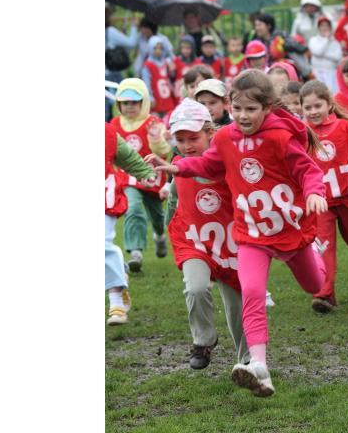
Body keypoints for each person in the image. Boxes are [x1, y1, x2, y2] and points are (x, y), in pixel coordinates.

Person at [149, 69, 328, 397]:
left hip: (288, 229)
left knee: (315, 285)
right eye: (237, 108)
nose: (243, 116)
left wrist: (314, 192)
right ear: (229, 107)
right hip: (251, 235)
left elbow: (307, 170)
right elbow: (207, 164)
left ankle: (315, 252)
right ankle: (258, 366)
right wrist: (178, 167)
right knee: (253, 293)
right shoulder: (225, 139)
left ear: (267, 108)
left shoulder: (280, 137)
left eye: (251, 109)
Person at [164, 98, 250, 369]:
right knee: (196, 288)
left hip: (230, 242)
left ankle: (248, 359)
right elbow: (174, 198)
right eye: (180, 140)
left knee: (238, 304)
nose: (187, 146)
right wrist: (169, 225)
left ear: (210, 133)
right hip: (194, 241)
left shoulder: (228, 161)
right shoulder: (178, 165)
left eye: (193, 138)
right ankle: (203, 340)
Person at [300, 80, 348, 312]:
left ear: (329, 105)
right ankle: (324, 295)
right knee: (324, 246)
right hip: (321, 201)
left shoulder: (345, 126)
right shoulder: (301, 134)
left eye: (318, 106)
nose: (313, 111)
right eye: (308, 107)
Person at [110, 78, 172, 272]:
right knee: (134, 208)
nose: (129, 106)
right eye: (125, 102)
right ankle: (135, 251)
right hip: (129, 177)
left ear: (143, 102)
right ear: (118, 104)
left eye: (134, 102)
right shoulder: (114, 124)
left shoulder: (153, 123)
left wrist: (157, 139)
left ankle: (159, 235)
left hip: (152, 177)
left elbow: (164, 150)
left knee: (157, 215)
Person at [105, 122, 158, 325]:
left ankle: (116, 303)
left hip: (104, 195)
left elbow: (127, 156)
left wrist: (145, 173)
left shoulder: (106, 132)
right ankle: (120, 270)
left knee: (102, 244)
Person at [105, 5, 139, 122]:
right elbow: (131, 43)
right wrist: (134, 27)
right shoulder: (109, 31)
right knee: (120, 109)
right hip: (111, 76)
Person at [141, 35, 177, 121]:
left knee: (169, 120)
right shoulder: (147, 65)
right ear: (150, 48)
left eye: (160, 48)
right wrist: (150, 97)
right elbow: (146, 83)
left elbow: (170, 77)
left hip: (167, 98)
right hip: (156, 98)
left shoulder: (165, 62)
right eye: (155, 48)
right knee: (155, 121)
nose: (158, 51)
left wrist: (172, 70)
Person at [308, 16, 342, 93]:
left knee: (332, 94)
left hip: (331, 73)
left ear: (330, 27)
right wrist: (326, 39)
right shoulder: (313, 40)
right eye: (322, 25)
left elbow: (338, 57)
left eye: (327, 25)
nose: (324, 27)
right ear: (318, 28)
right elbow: (317, 52)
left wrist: (322, 55)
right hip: (316, 73)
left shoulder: (335, 42)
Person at [173, 35, 198, 101]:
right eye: (183, 48)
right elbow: (172, 78)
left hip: (193, 92)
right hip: (179, 93)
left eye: (188, 48)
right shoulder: (176, 60)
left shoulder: (198, 61)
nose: (185, 50)